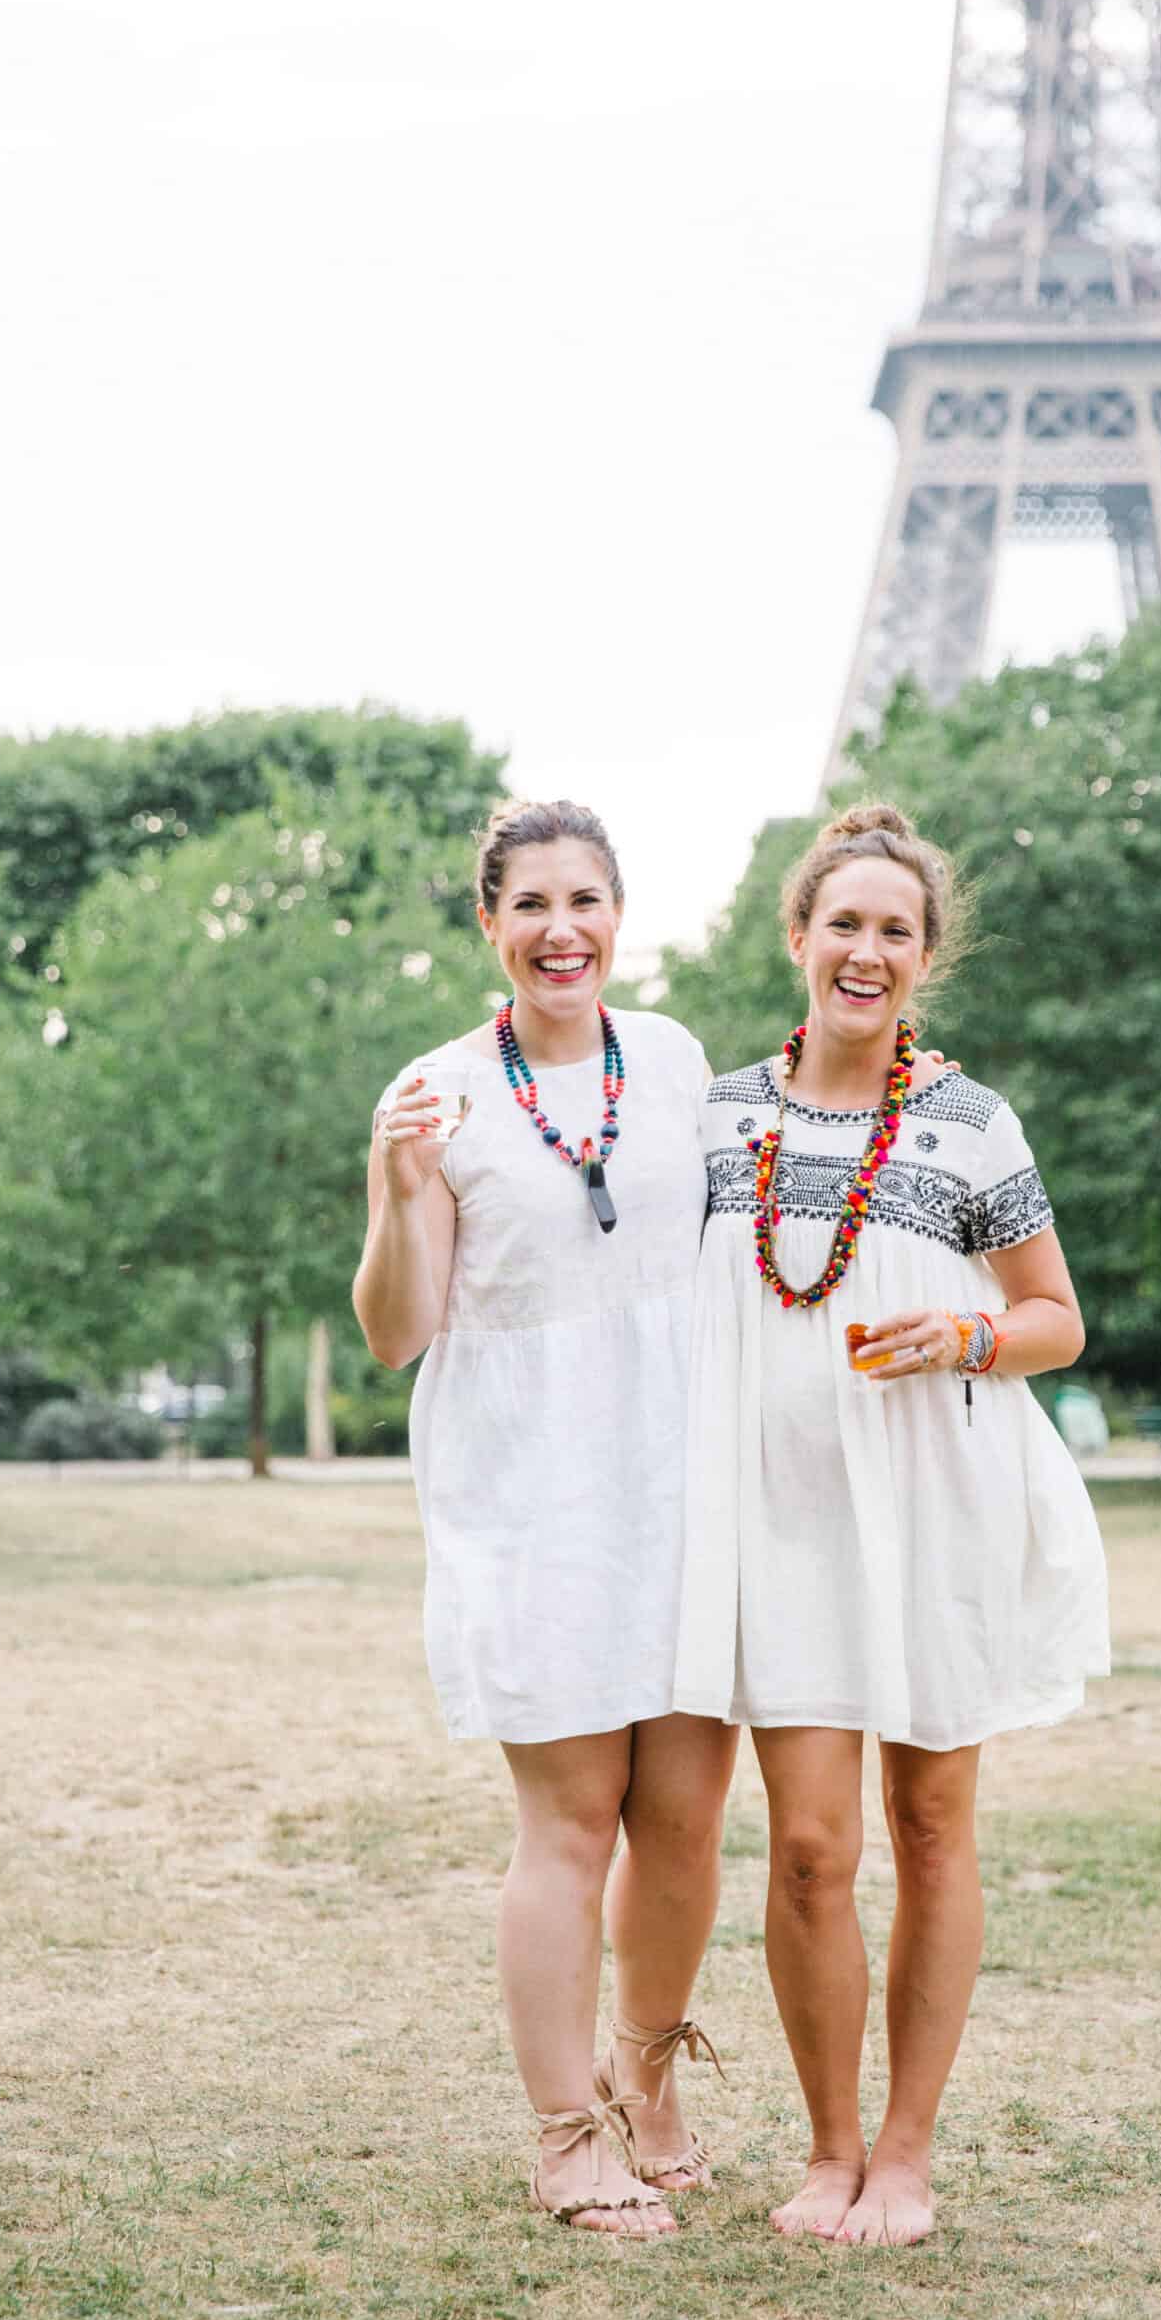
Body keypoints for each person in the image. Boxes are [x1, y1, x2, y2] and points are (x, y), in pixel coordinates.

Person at [674, 802, 1109, 2247]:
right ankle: (828, 2148)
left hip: (935, 1506)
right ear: (798, 938)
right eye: (844, 924)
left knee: (931, 1824)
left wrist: (971, 1338)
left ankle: (907, 2159)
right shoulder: (719, 1117)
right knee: (809, 1848)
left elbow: (1058, 1321)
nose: (867, 951)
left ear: (926, 961)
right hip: (782, 1517)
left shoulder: (970, 1123)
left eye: (896, 932)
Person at [353, 798, 738, 2239]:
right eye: (531, 905)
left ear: (618, 915)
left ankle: (648, 2083)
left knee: (687, 1823)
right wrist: (398, 1193)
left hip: (684, 1490)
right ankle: (567, 2133)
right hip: (535, 1499)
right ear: (490, 925)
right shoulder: (436, 1093)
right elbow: (399, 1332)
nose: (560, 928)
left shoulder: (681, 1058)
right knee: (572, 1826)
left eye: (586, 900)